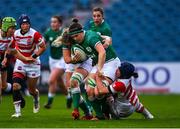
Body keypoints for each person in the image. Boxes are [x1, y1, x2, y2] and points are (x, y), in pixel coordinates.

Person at [67, 18, 120, 120]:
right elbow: (104, 37)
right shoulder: (80, 39)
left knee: (99, 91)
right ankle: (100, 116)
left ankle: (109, 107)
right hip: (97, 64)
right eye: (73, 37)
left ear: (82, 32)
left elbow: (102, 52)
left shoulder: (90, 38)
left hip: (110, 62)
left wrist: (99, 69)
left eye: (76, 35)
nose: (75, 38)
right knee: (89, 89)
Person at [11, 14, 46, 118]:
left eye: (27, 24)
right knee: (15, 86)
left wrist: (34, 56)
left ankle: (36, 98)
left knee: (31, 90)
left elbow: (43, 47)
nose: (25, 26)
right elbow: (11, 46)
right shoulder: (15, 34)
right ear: (20, 25)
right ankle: (17, 112)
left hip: (33, 63)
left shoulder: (35, 34)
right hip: (21, 61)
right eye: (23, 24)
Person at [0, 17, 35, 103]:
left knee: (4, 86)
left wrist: (25, 59)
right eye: (12, 28)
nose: (14, 31)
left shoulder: (11, 39)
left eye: (14, 28)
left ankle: (17, 93)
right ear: (5, 27)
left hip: (3, 62)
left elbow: (14, 52)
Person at [43, 15, 69, 109]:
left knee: (51, 80)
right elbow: (43, 44)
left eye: (55, 22)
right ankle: (69, 97)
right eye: (51, 22)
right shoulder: (48, 32)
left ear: (60, 23)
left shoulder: (64, 33)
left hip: (62, 60)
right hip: (52, 60)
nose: (52, 24)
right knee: (60, 83)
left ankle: (49, 102)